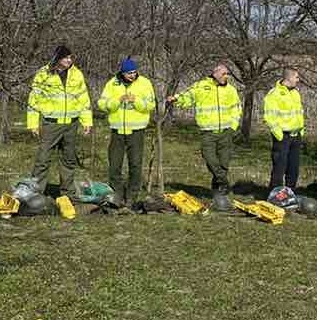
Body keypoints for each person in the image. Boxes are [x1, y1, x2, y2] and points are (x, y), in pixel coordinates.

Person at [27, 46, 93, 194]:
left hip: (71, 123)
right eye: (66, 58)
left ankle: (68, 192)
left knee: (68, 160)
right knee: (43, 159)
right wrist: (33, 124)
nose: (69, 61)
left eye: (71, 57)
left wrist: (87, 121)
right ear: (57, 58)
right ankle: (35, 192)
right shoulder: (43, 74)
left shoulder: (77, 74)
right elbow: (33, 100)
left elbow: (83, 99)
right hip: (51, 123)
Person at [169, 63, 242, 196]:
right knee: (211, 160)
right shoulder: (201, 86)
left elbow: (236, 108)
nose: (226, 77)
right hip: (208, 132)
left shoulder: (231, 90)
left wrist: (233, 127)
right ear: (215, 74)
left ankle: (218, 192)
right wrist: (176, 99)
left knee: (224, 163)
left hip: (226, 132)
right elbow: (188, 96)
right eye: (223, 74)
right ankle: (224, 182)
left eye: (227, 74)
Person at [97, 57, 156, 206]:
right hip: (117, 131)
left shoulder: (145, 83)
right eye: (129, 73)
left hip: (137, 131)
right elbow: (102, 104)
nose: (132, 75)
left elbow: (150, 105)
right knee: (115, 164)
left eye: (134, 72)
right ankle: (116, 194)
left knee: (135, 164)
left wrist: (135, 101)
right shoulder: (112, 83)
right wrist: (118, 100)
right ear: (122, 73)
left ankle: (132, 196)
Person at [262, 68, 306, 192]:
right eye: (296, 77)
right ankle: (275, 193)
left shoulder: (295, 93)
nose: (298, 80)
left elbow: (299, 113)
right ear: (289, 78)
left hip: (296, 135)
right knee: (279, 167)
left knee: (293, 168)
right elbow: (270, 116)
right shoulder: (274, 94)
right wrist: (279, 135)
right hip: (283, 136)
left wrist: (301, 131)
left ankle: (290, 193)